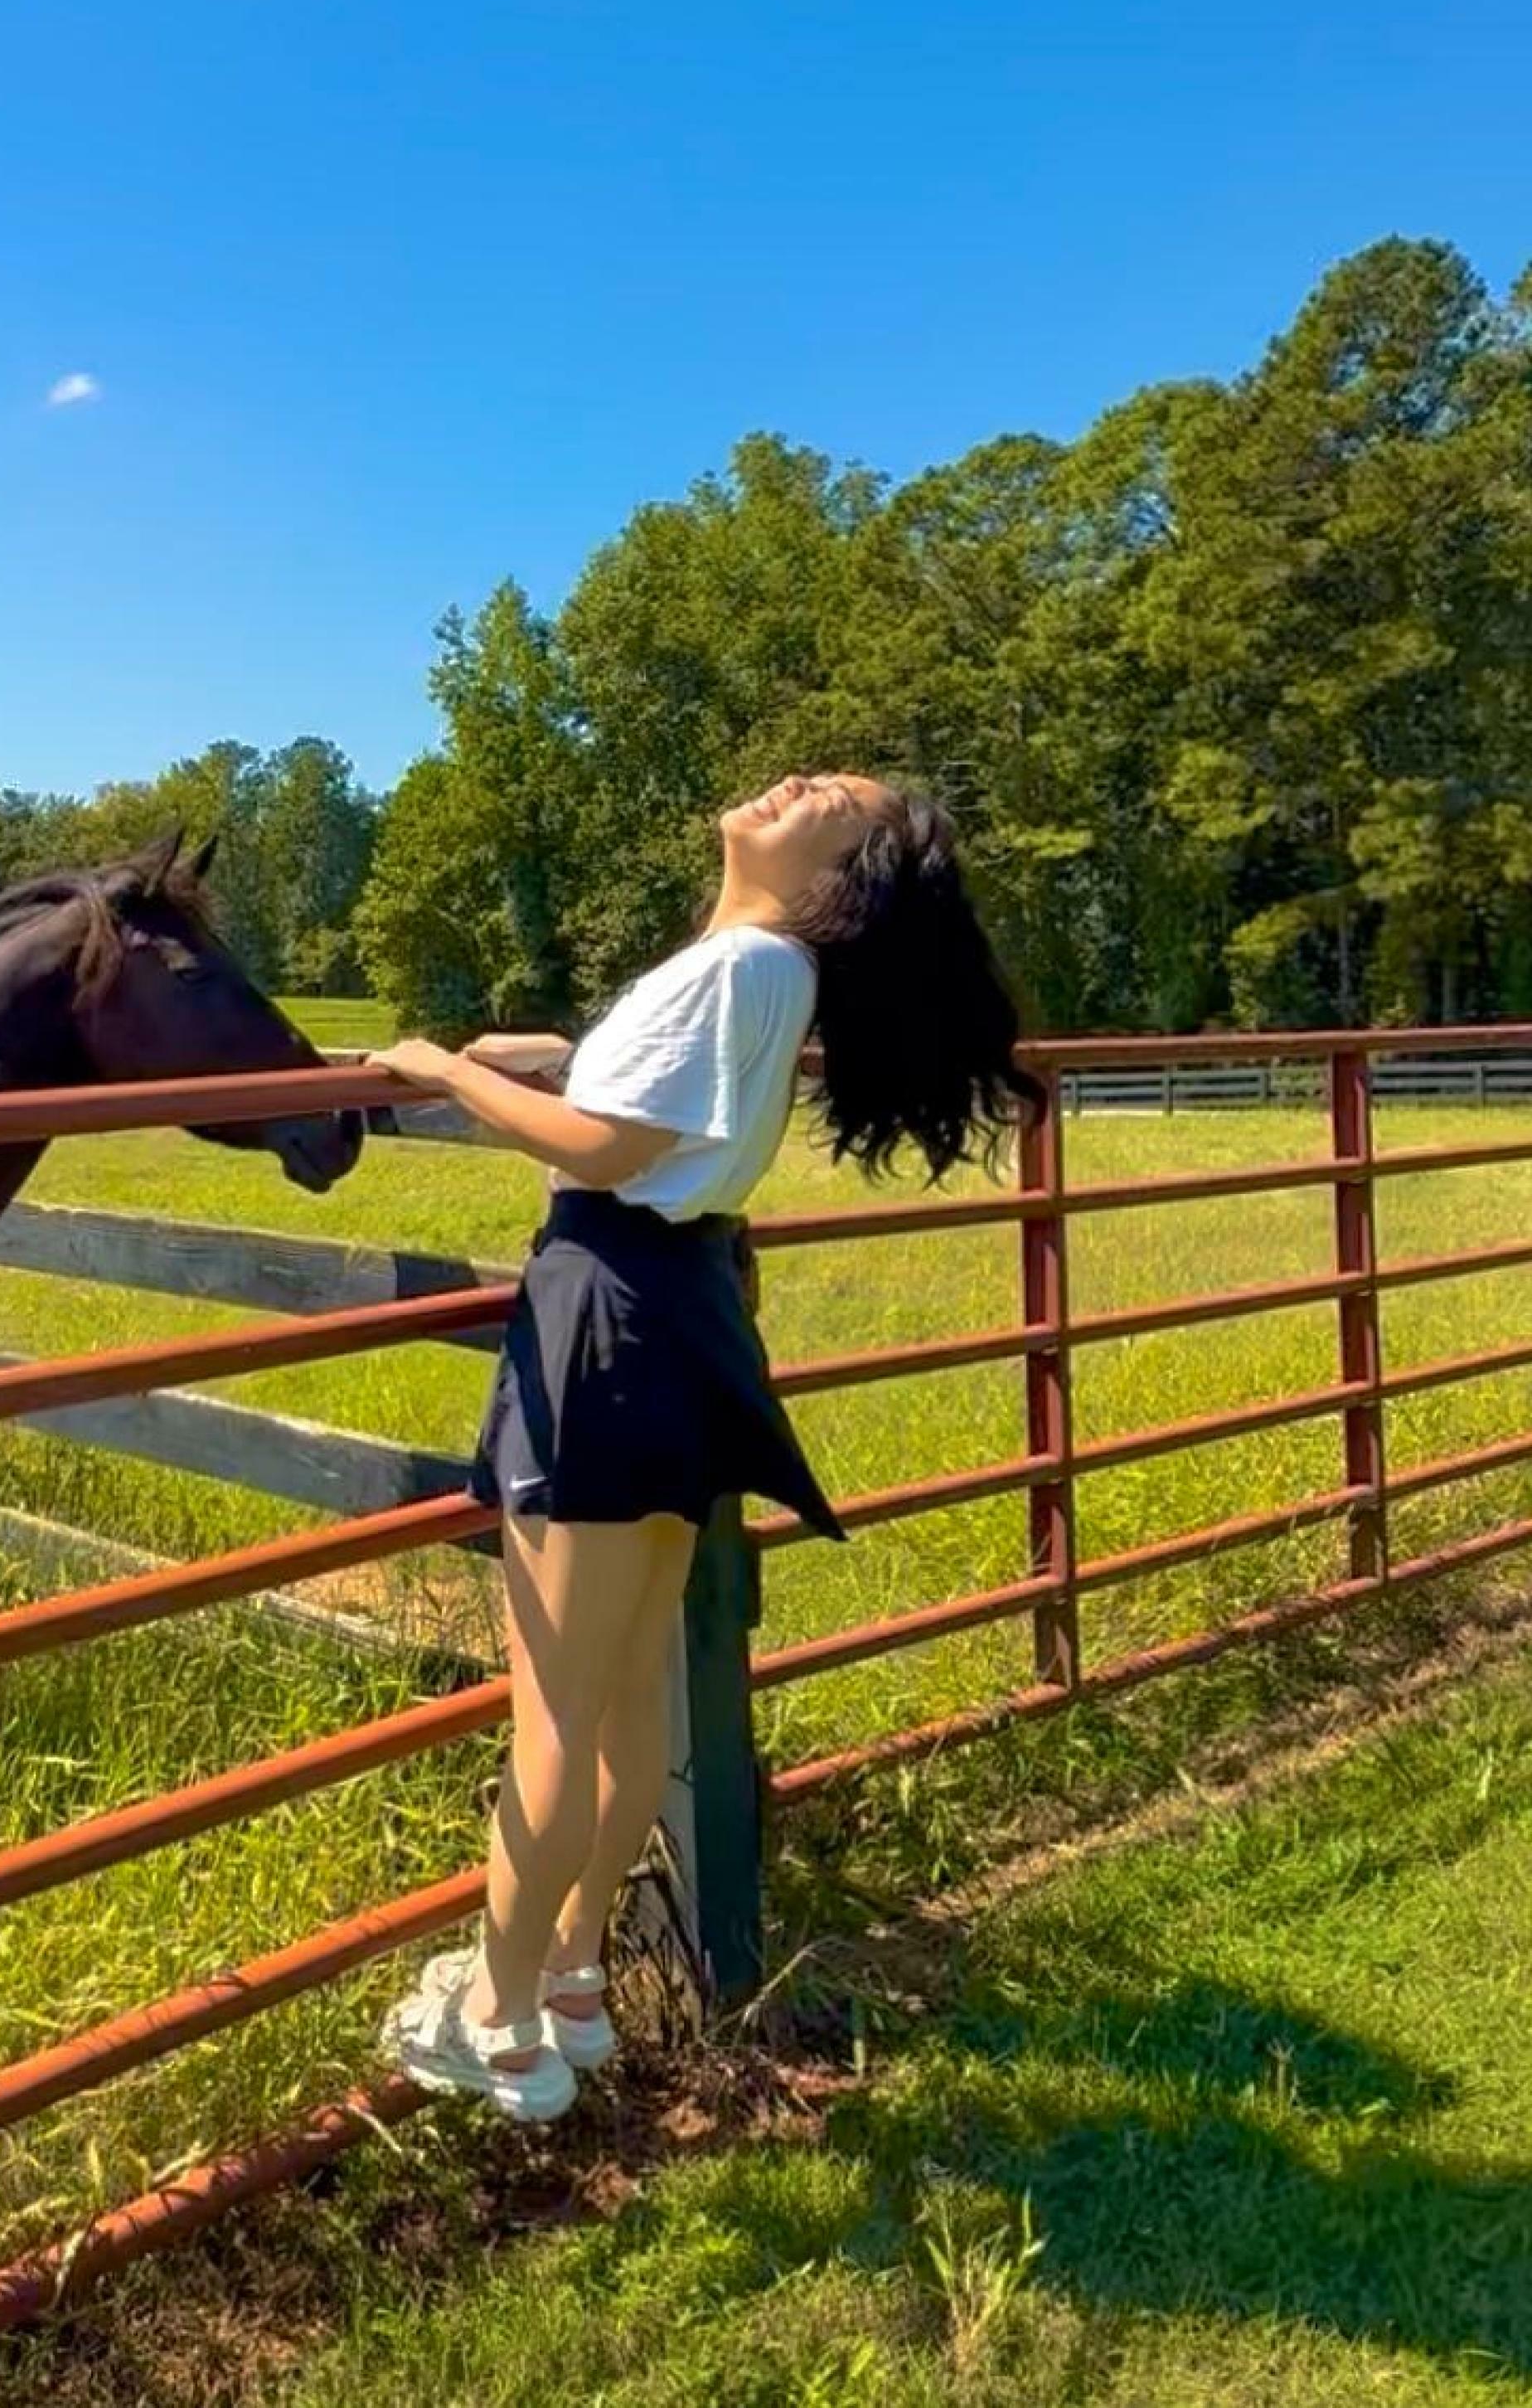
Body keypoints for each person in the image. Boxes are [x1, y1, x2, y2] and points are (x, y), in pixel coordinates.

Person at [368, 772, 1039, 2123]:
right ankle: (567, 1978)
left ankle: (493, 2019)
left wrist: (440, 1071)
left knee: (559, 1709)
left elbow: (610, 1153)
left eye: (829, 803)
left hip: (603, 1315)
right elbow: (663, 1117)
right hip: (672, 1322)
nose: (794, 784)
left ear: (835, 875)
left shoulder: (740, 963)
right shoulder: (763, 970)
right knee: (625, 1705)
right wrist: (561, 1053)